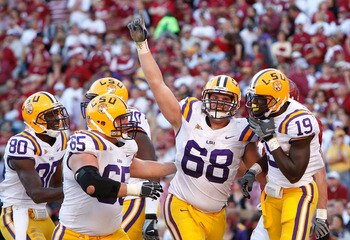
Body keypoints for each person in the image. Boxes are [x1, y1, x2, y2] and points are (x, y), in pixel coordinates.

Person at [128, 18, 260, 240]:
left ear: (236, 103)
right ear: (204, 98)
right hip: (182, 205)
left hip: (217, 213)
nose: (218, 103)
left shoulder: (243, 129)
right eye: (214, 98)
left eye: (224, 99)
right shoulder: (189, 113)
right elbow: (157, 84)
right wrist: (143, 47)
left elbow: (250, 168)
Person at [53, 93, 176, 239]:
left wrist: (179, 165)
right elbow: (91, 184)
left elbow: (144, 168)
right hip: (76, 235)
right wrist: (136, 189)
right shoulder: (86, 142)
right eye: (121, 118)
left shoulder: (123, 146)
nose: (126, 122)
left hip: (113, 234)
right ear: (103, 121)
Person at [239, 68, 324, 240]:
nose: (255, 103)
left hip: (297, 193)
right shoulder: (269, 113)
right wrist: (253, 171)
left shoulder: (299, 121)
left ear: (277, 99)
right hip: (273, 194)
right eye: (254, 97)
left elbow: (294, 174)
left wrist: (270, 137)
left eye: (261, 99)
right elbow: (274, 154)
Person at [80, 77, 160, 240]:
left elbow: (152, 169)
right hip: (108, 199)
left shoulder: (130, 121)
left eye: (95, 100)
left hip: (132, 198)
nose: (89, 104)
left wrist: (151, 216)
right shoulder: (100, 122)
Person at [0, 91, 70, 239]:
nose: (58, 118)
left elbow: (56, 184)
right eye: (51, 114)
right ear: (35, 120)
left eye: (57, 112)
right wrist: (78, 189)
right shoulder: (22, 143)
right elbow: (36, 193)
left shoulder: (60, 139)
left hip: (42, 213)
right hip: (18, 213)